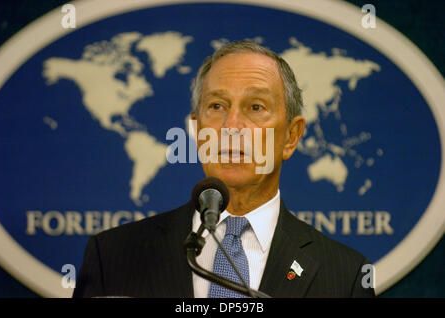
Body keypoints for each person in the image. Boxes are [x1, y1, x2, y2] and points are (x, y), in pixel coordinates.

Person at [73, 41, 375, 298]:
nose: (231, 127)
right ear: (195, 129)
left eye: (255, 107)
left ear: (291, 137)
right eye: (217, 106)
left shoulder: (346, 276)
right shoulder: (112, 256)